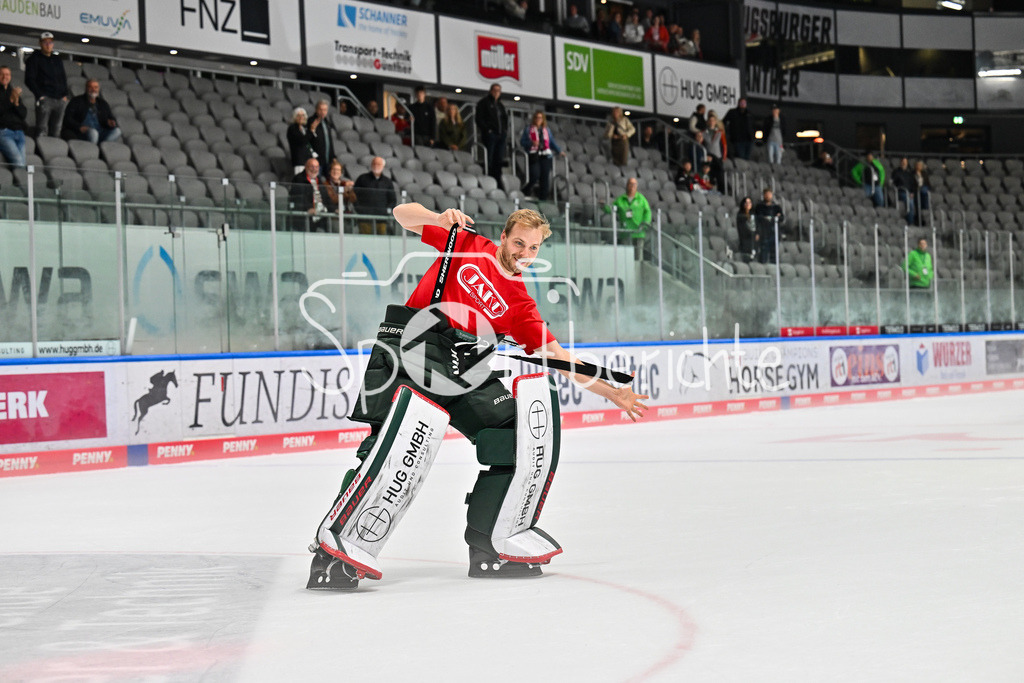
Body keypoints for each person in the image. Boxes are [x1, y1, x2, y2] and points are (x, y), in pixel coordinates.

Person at [306, 204, 649, 590]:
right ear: (504, 237)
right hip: (416, 342)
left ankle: (492, 543)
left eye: (534, 248)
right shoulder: (466, 242)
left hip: (464, 369)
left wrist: (613, 391)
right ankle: (336, 547)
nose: (525, 253)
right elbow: (400, 214)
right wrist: (436, 219)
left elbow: (560, 359)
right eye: (519, 242)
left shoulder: (521, 306)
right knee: (392, 441)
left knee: (516, 432)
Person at [24, 32, 69, 137]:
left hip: (60, 98)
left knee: (57, 129)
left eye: (50, 42)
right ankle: (41, 151)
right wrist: (40, 96)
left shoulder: (57, 59)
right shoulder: (34, 59)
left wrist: (65, 95)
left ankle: (53, 151)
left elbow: (63, 78)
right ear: (40, 43)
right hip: (46, 98)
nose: (48, 45)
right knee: (42, 129)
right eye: (45, 42)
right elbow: (29, 79)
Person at [520, 111, 564, 201]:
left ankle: (543, 199)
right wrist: (531, 143)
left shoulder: (546, 130)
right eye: (536, 117)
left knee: (545, 178)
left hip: (545, 156)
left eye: (540, 118)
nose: (538, 119)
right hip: (534, 155)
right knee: (535, 175)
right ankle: (526, 190)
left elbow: (551, 142)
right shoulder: (528, 129)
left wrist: (559, 151)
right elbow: (522, 142)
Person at [604, 177, 651, 259]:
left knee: (638, 258)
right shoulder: (620, 199)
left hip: (638, 232)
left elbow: (648, 212)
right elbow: (611, 209)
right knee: (625, 258)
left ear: (637, 186)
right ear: (627, 185)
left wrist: (645, 224)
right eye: (630, 184)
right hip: (625, 233)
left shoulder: (641, 199)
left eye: (634, 184)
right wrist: (603, 207)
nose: (632, 186)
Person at [60, 79, 121, 144]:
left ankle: (102, 147)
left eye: (96, 87)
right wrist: (79, 127)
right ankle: (94, 150)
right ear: (86, 88)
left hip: (100, 132)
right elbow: (67, 119)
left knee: (117, 131)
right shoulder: (76, 101)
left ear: (98, 89)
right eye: (90, 87)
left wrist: (111, 122)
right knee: (93, 133)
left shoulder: (103, 104)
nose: (93, 89)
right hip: (83, 132)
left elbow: (110, 117)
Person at [353, 156, 397, 235]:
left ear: (383, 166)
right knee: (365, 241)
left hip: (382, 219)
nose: (376, 166)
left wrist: (386, 211)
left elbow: (392, 199)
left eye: (378, 164)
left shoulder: (387, 182)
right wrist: (359, 210)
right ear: (371, 165)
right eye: (374, 164)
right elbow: (354, 195)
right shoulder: (362, 178)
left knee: (381, 242)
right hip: (365, 218)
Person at [476, 83, 509, 188]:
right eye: (495, 90)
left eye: (498, 90)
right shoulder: (483, 103)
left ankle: (497, 180)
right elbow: (479, 119)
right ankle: (489, 179)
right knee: (489, 158)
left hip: (500, 136)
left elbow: (505, 119)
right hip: (490, 135)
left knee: (498, 159)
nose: (496, 92)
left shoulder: (500, 105)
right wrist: (488, 130)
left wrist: (504, 131)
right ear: (490, 91)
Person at [288, 157, 331, 231]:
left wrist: (334, 209)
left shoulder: (320, 181)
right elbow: (299, 198)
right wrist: (309, 208)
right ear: (306, 167)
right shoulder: (298, 179)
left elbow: (327, 199)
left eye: (317, 167)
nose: (314, 169)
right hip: (304, 218)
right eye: (312, 166)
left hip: (321, 217)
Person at [0, 66, 28, 168]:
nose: (4, 77)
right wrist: (10, 101)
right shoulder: (11, 94)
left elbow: (23, 114)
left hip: (19, 131)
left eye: (7, 74)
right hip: (4, 132)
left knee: (23, 164)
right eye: (2, 74)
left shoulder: (13, 92)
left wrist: (16, 102)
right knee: (19, 163)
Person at [754, 188, 783, 264]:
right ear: (763, 195)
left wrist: (775, 218)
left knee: (774, 254)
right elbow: (758, 218)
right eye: (766, 194)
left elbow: (781, 218)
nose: (768, 196)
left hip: (775, 232)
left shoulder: (777, 207)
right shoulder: (759, 206)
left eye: (769, 194)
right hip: (764, 233)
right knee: (763, 252)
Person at [308, 100, 336, 177]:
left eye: (325, 110)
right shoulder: (311, 121)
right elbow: (307, 141)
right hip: (316, 161)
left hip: (328, 161)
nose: (323, 112)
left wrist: (333, 156)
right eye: (321, 109)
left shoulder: (326, 122)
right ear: (316, 110)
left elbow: (329, 141)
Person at [703, 112, 727, 191]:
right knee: (710, 175)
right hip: (708, 157)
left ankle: (722, 191)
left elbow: (724, 145)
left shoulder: (720, 132)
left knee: (720, 175)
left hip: (718, 157)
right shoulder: (704, 132)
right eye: (710, 120)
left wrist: (723, 157)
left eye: (713, 120)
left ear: (715, 122)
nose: (712, 122)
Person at [287, 107, 314, 175]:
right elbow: (302, 141)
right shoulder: (292, 128)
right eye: (298, 115)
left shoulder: (304, 128)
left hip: (308, 160)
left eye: (303, 115)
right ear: (294, 117)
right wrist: (311, 132)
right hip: (299, 161)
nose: (301, 117)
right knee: (300, 180)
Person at [892, 157, 918, 225]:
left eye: (905, 162)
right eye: (903, 162)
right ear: (900, 163)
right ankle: (910, 222)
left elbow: (913, 184)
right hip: (900, 192)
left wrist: (912, 192)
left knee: (915, 200)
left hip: (909, 193)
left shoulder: (909, 173)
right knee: (910, 203)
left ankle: (916, 220)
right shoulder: (896, 172)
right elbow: (893, 183)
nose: (904, 163)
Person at [736, 196, 756, 262]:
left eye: (749, 203)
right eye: (746, 203)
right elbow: (742, 229)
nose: (748, 204)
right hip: (745, 240)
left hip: (753, 240)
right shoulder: (740, 215)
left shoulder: (753, 214)